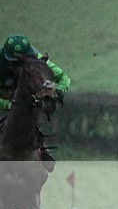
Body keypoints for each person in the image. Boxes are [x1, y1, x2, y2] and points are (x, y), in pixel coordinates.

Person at [0, 34, 70, 167]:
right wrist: (7, 104)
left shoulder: (37, 59)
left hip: (22, 97)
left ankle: (42, 149)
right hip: (3, 96)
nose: (22, 67)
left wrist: (60, 90)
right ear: (9, 61)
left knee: (34, 112)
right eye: (17, 64)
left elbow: (63, 77)